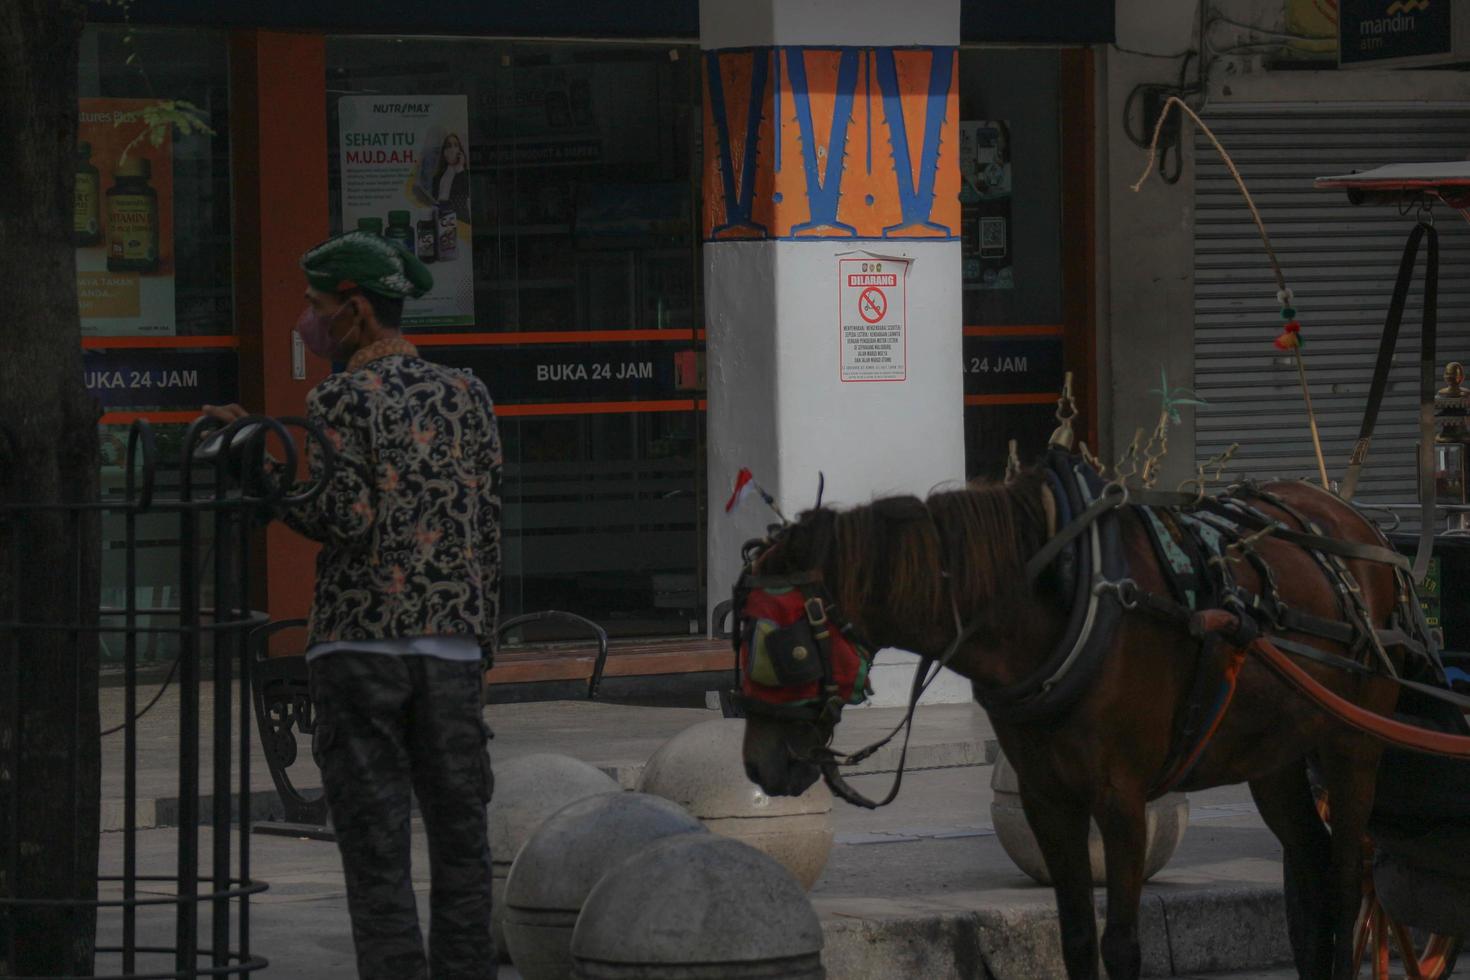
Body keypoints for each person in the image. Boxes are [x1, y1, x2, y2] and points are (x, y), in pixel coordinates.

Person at [204, 230, 502, 980]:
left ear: (356, 307)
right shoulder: (469, 394)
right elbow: (487, 523)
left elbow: (346, 519)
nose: (309, 321)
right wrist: (477, 641)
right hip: (453, 648)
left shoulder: (338, 397)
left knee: (377, 856)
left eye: (316, 306)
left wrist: (261, 469)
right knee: (463, 850)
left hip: (358, 648)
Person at [433, 132, 470, 219]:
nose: (452, 149)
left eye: (455, 145)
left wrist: (460, 168)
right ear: (444, 152)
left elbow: (465, 192)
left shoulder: (464, 174)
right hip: (441, 216)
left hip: (458, 218)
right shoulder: (437, 177)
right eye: (449, 146)